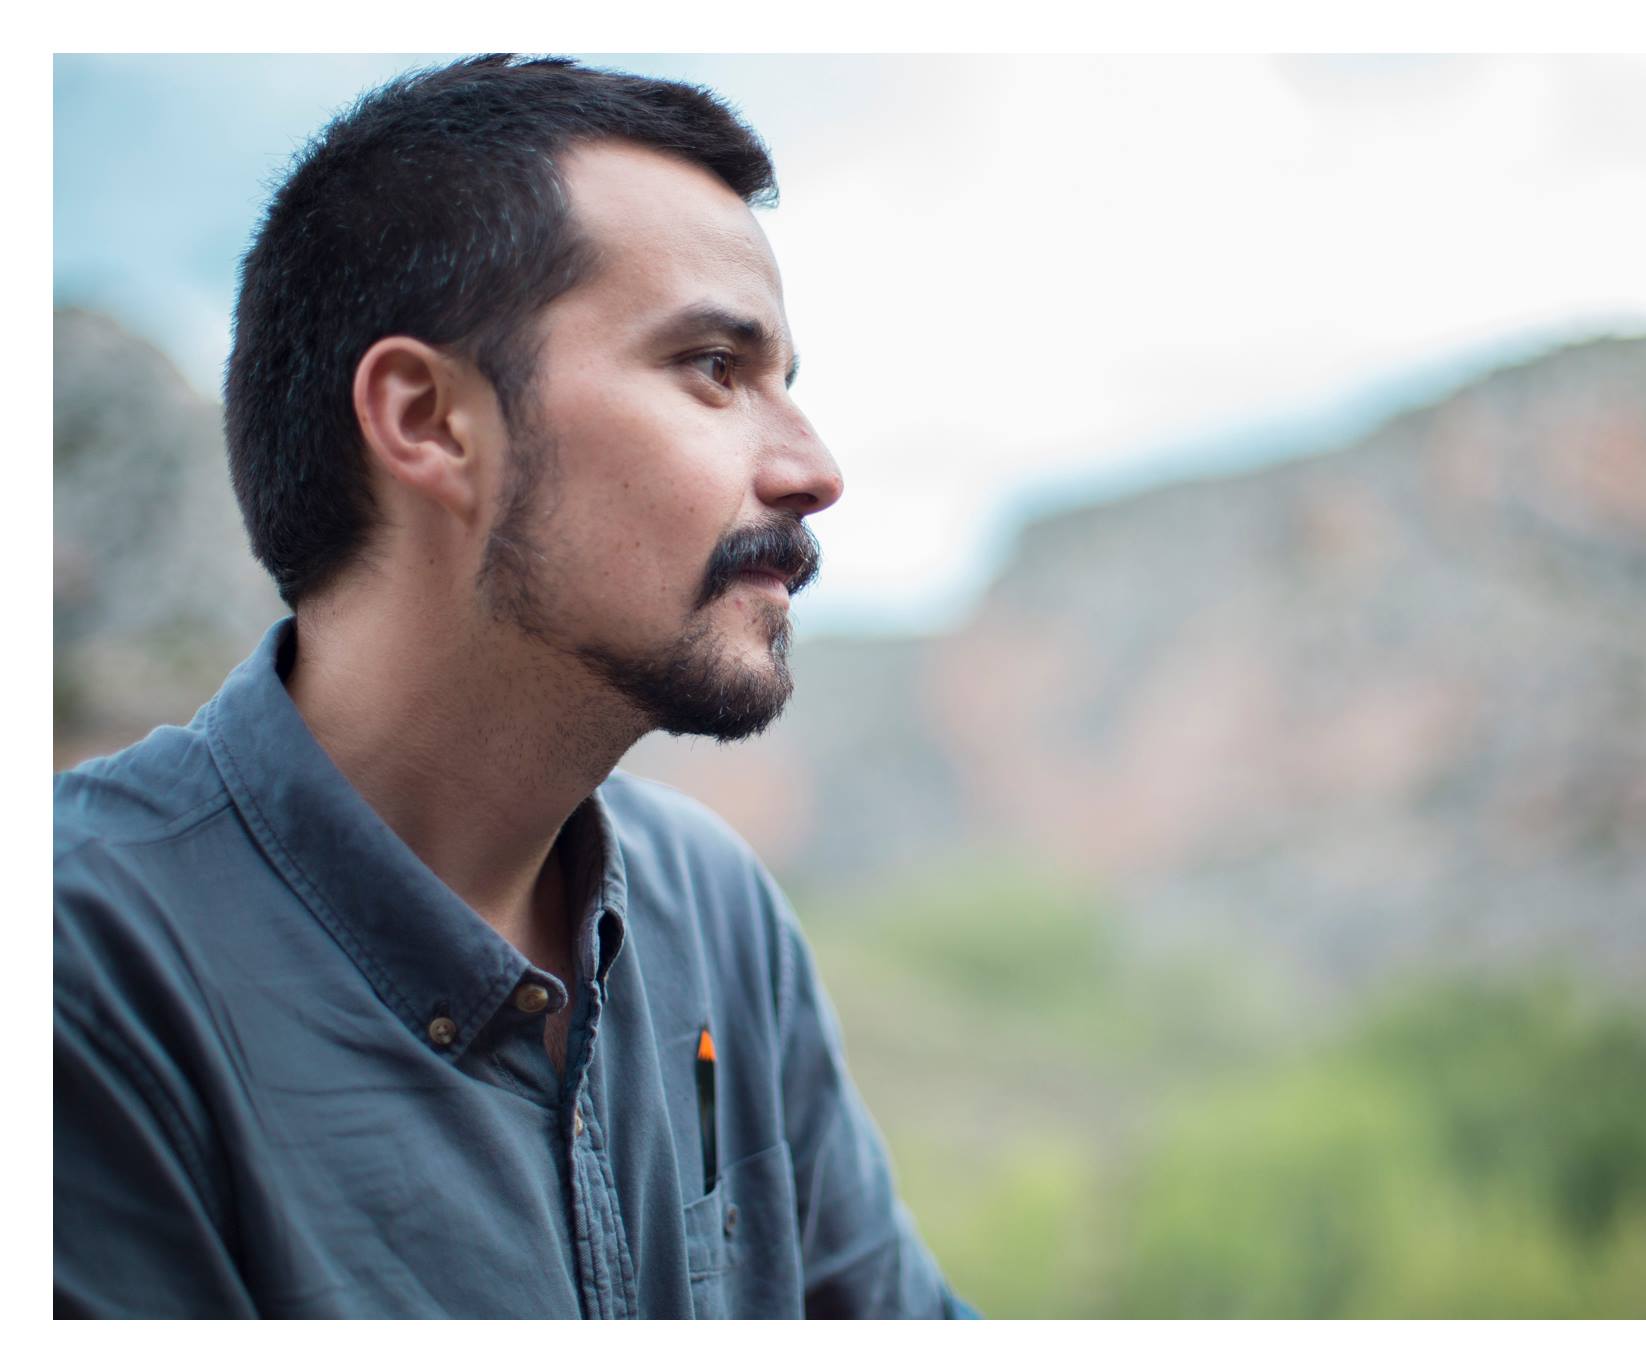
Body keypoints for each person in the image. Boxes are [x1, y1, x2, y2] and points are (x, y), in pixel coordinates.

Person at [54, 53, 973, 1319]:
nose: (813, 469)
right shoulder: (80, 971)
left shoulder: (714, 912)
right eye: (714, 366)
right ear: (428, 420)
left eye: (785, 386)